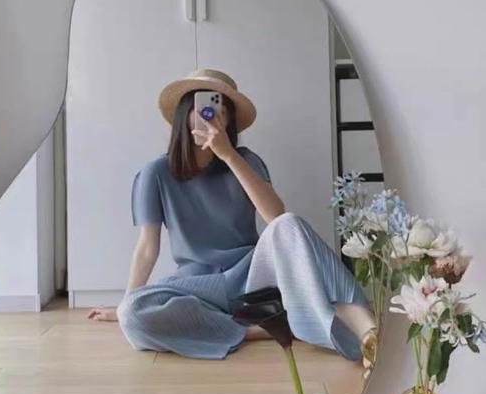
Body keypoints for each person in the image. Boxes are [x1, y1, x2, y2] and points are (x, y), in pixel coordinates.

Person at [87, 68, 376, 362]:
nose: (211, 117)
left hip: (253, 278)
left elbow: (276, 217)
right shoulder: (155, 173)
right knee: (132, 314)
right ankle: (263, 326)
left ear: (230, 123)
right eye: (203, 107)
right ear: (185, 114)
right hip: (197, 286)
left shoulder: (245, 160)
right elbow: (147, 249)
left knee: (290, 224)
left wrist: (227, 155)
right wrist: (126, 304)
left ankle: (365, 326)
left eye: (221, 111)